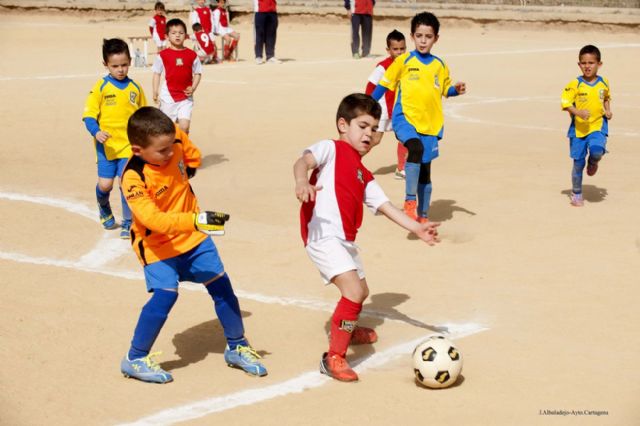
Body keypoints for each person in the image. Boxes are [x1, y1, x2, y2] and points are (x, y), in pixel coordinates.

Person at [293, 93, 440, 382]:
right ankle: (333, 357)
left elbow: (386, 207)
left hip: (343, 239)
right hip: (322, 234)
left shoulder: (364, 173)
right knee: (353, 292)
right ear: (343, 124)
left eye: (373, 129)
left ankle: (347, 328)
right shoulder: (331, 148)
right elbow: (302, 162)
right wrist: (301, 181)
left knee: (362, 290)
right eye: (362, 126)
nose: (368, 135)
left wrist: (416, 227)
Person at [120, 106, 268, 383]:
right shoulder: (133, 177)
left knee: (222, 287)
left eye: (170, 147)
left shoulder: (173, 139)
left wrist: (185, 164)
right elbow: (154, 220)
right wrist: (196, 220)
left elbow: (193, 156)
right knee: (166, 294)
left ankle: (237, 345)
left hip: (194, 236)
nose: (169, 153)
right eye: (161, 151)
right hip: (157, 244)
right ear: (138, 150)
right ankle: (135, 358)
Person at [371, 12, 466, 222]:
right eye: (419, 35)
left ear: (436, 38)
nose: (423, 40)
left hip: (430, 125)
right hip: (405, 118)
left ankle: (422, 215)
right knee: (414, 148)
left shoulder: (439, 65)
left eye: (428, 36)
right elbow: (384, 84)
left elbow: (444, 89)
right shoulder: (404, 61)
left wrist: (455, 90)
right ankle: (409, 200)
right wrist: (367, 104)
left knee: (425, 171)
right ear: (412, 36)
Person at [82, 38, 147, 239]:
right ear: (106, 65)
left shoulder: (135, 88)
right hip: (106, 147)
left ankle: (128, 222)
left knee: (126, 184)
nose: (120, 70)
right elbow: (89, 115)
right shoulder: (101, 87)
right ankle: (104, 206)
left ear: (130, 62)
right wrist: (96, 131)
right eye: (115, 66)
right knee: (105, 185)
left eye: (124, 65)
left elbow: (143, 115)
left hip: (129, 146)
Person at [561, 44, 612, 207]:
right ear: (579, 64)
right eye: (584, 63)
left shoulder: (604, 82)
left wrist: (608, 110)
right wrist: (578, 112)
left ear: (599, 64)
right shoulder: (574, 84)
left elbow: (606, 97)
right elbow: (566, 103)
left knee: (597, 150)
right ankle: (576, 193)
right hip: (578, 130)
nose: (587, 66)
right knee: (578, 164)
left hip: (597, 126)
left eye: (591, 63)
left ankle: (594, 162)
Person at [365, 29, 408, 180]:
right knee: (375, 139)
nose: (399, 52)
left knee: (404, 138)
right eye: (395, 49)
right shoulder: (382, 67)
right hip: (383, 110)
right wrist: (370, 105)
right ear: (388, 50)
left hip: (400, 109)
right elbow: (371, 86)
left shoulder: (408, 64)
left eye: (402, 49)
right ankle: (354, 161)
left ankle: (401, 168)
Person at [152, 18, 202, 134]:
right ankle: (171, 149)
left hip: (186, 97)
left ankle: (183, 149)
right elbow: (156, 73)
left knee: (184, 127)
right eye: (173, 33)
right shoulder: (163, 55)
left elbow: (198, 73)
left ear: (186, 35)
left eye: (181, 33)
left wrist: (193, 87)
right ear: (167, 36)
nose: (178, 36)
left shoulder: (192, 54)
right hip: (168, 97)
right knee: (168, 130)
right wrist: (155, 91)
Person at [254, 0, 281, 64]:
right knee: (260, 34)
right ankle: (258, 56)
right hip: (260, 10)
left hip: (272, 10)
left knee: (271, 34)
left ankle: (270, 56)